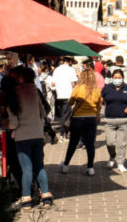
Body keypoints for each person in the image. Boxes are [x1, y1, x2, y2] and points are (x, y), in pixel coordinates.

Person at [6, 65, 54, 208]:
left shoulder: (14, 93)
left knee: (26, 168)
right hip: (37, 134)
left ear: (20, 77)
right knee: (39, 166)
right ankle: (45, 196)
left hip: (22, 135)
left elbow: (13, 120)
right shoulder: (35, 90)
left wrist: (12, 128)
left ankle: (26, 198)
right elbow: (43, 113)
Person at [60, 65, 101, 177]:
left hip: (78, 118)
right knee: (90, 144)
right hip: (91, 118)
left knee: (73, 142)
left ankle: (66, 165)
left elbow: (70, 102)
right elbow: (99, 104)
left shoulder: (78, 88)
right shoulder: (96, 89)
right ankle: (90, 167)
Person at [100, 69, 127, 172]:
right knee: (109, 142)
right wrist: (97, 111)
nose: (117, 80)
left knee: (121, 144)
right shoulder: (107, 88)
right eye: (115, 78)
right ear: (112, 78)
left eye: (119, 78)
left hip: (123, 120)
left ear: (123, 78)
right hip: (109, 120)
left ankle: (120, 163)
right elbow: (100, 100)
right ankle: (112, 156)